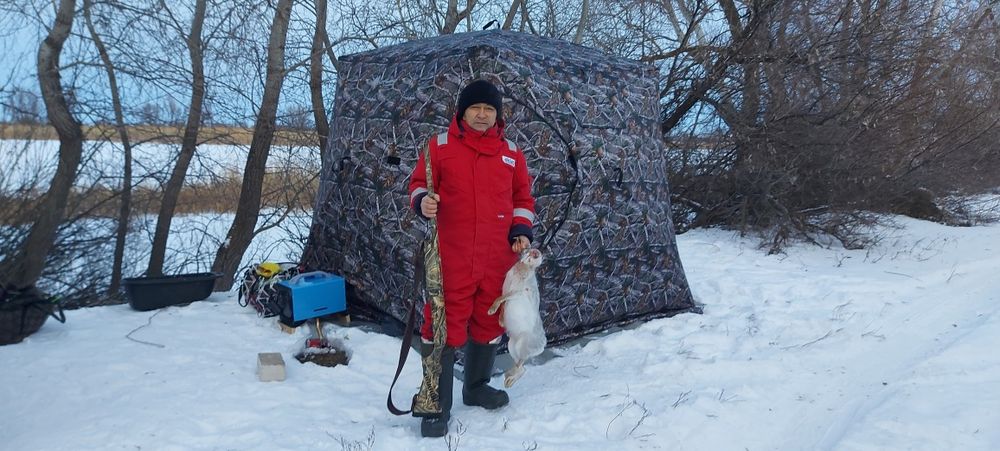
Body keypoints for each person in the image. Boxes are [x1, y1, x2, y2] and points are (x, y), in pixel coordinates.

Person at [407, 79, 536, 437]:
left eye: (489, 109)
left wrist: (521, 230)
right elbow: (418, 184)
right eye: (476, 108)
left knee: (489, 322)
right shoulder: (440, 146)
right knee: (443, 325)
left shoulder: (512, 153)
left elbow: (523, 200)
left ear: (498, 115)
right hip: (453, 257)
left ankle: (476, 387)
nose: (482, 115)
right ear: (462, 111)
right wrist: (422, 202)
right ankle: (436, 403)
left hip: (497, 259)